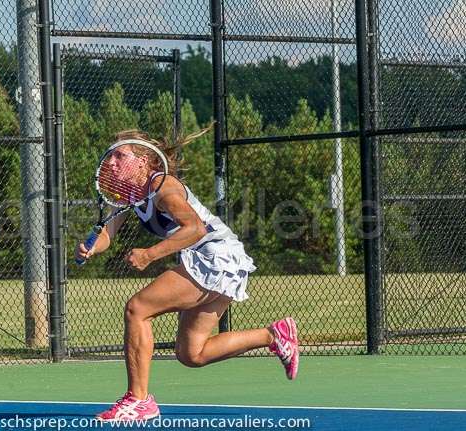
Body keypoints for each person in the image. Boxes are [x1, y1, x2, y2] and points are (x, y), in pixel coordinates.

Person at [75, 127, 299, 423]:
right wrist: (92, 248)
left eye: (120, 155)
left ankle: (139, 401)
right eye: (111, 156)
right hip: (219, 260)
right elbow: (107, 233)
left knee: (137, 309)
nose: (111, 162)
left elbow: (195, 228)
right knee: (192, 354)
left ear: (143, 161)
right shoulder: (130, 194)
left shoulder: (164, 187)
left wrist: (150, 254)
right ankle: (274, 335)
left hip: (215, 256)